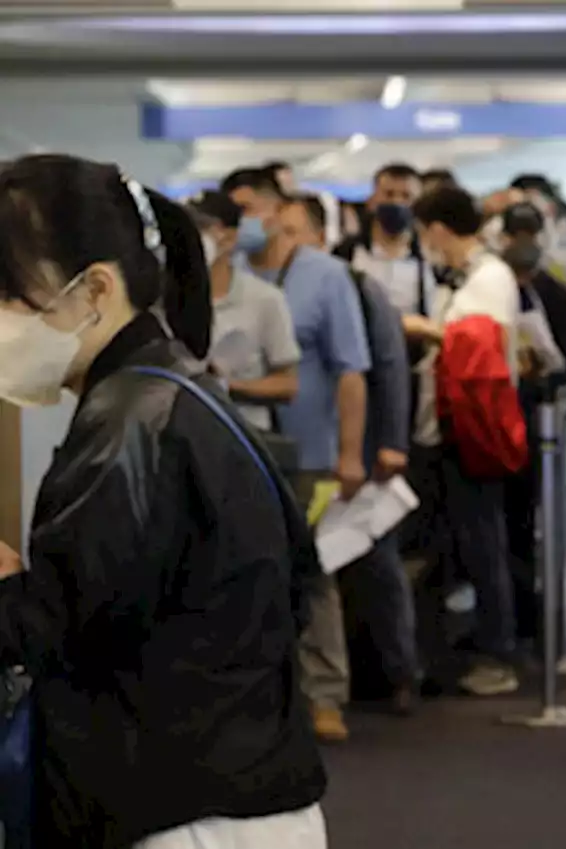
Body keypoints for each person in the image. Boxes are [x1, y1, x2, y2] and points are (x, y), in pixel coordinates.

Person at [0, 154, 326, 847]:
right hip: (236, 788)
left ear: (94, 289)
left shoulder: (130, 425)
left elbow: (53, 628)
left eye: (8, 296)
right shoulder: (178, 394)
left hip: (181, 811)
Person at [222, 166, 371, 743]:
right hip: (242, 449)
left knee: (313, 572)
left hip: (310, 450)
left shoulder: (327, 277)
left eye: (248, 208)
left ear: (278, 210)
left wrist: (351, 453)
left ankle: (325, 694)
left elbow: (351, 371)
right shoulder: (230, 276)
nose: (242, 222)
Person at [284, 194, 421, 715]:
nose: (286, 244)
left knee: (374, 559)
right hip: (312, 447)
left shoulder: (357, 287)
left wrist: (390, 443)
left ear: (321, 235)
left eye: (296, 232)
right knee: (321, 564)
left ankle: (400, 671)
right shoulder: (276, 289)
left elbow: (386, 368)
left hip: (359, 449)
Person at [411, 184, 522, 696]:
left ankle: (499, 654)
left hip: (475, 432)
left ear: (437, 229)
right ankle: (445, 652)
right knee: (446, 547)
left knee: (483, 546)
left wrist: (424, 331)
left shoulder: (490, 277)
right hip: (444, 426)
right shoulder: (455, 281)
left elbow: (484, 351)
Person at [498, 201, 566, 650]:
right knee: (507, 529)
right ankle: (513, 618)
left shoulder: (557, 294)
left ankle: (541, 622)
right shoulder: (490, 291)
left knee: (540, 525)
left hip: (539, 421)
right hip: (497, 424)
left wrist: (544, 374)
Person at [188, 190, 300, 431]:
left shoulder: (265, 299)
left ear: (228, 238)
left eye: (201, 229)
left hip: (244, 438)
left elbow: (288, 384)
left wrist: (225, 386)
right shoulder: (168, 298)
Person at [334, 163, 434, 318]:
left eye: (406, 196)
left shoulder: (429, 258)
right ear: (373, 199)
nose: (397, 202)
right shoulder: (346, 253)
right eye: (389, 194)